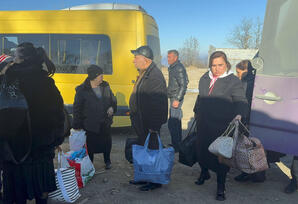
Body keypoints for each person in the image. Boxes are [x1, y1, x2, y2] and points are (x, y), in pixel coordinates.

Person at [0, 42, 65, 204]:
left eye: (15, 57)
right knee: (41, 194)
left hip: (15, 153)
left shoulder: (8, 82)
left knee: (17, 195)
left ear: (21, 59)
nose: (13, 60)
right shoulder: (47, 83)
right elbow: (59, 115)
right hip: (42, 151)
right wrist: (56, 140)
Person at [193, 51, 248, 201]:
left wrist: (239, 114)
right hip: (203, 123)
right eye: (213, 65)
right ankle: (204, 172)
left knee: (221, 158)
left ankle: (220, 187)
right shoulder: (205, 78)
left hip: (222, 126)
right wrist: (196, 112)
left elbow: (241, 101)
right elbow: (200, 98)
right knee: (202, 150)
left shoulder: (233, 81)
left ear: (227, 64)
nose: (216, 69)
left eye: (220, 65)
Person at [129, 45, 168, 191]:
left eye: (136, 57)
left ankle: (154, 181)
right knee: (144, 153)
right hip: (141, 122)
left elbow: (159, 104)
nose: (133, 61)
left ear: (145, 60)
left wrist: (154, 127)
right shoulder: (145, 73)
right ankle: (144, 177)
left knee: (152, 153)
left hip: (150, 125)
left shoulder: (154, 77)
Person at [72, 65, 117, 170]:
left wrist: (112, 107)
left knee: (106, 143)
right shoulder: (82, 90)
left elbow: (113, 99)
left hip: (105, 122)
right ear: (95, 76)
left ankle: (107, 161)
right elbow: (77, 108)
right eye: (101, 76)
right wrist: (77, 125)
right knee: (90, 146)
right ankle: (90, 164)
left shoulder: (105, 85)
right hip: (90, 124)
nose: (103, 78)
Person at [234, 60, 266, 183]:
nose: (237, 75)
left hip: (247, 120)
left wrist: (244, 119)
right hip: (254, 119)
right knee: (255, 147)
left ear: (246, 70)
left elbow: (245, 103)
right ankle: (256, 174)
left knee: (247, 147)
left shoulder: (248, 82)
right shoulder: (256, 80)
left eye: (238, 72)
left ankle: (249, 173)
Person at [167, 50, 188, 152]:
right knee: (176, 122)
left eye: (170, 57)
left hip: (176, 97)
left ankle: (176, 146)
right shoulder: (173, 67)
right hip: (173, 96)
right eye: (167, 57)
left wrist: (177, 99)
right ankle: (177, 144)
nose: (168, 59)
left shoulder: (178, 68)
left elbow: (183, 84)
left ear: (175, 58)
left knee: (173, 122)